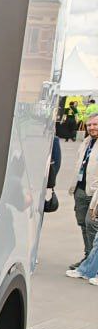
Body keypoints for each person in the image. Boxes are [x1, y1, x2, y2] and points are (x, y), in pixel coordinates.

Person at [70, 115, 98, 269]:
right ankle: (88, 257)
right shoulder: (86, 142)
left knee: (92, 224)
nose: (92, 128)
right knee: (83, 224)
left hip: (95, 193)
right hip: (80, 189)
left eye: (95, 124)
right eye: (89, 125)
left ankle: (94, 262)